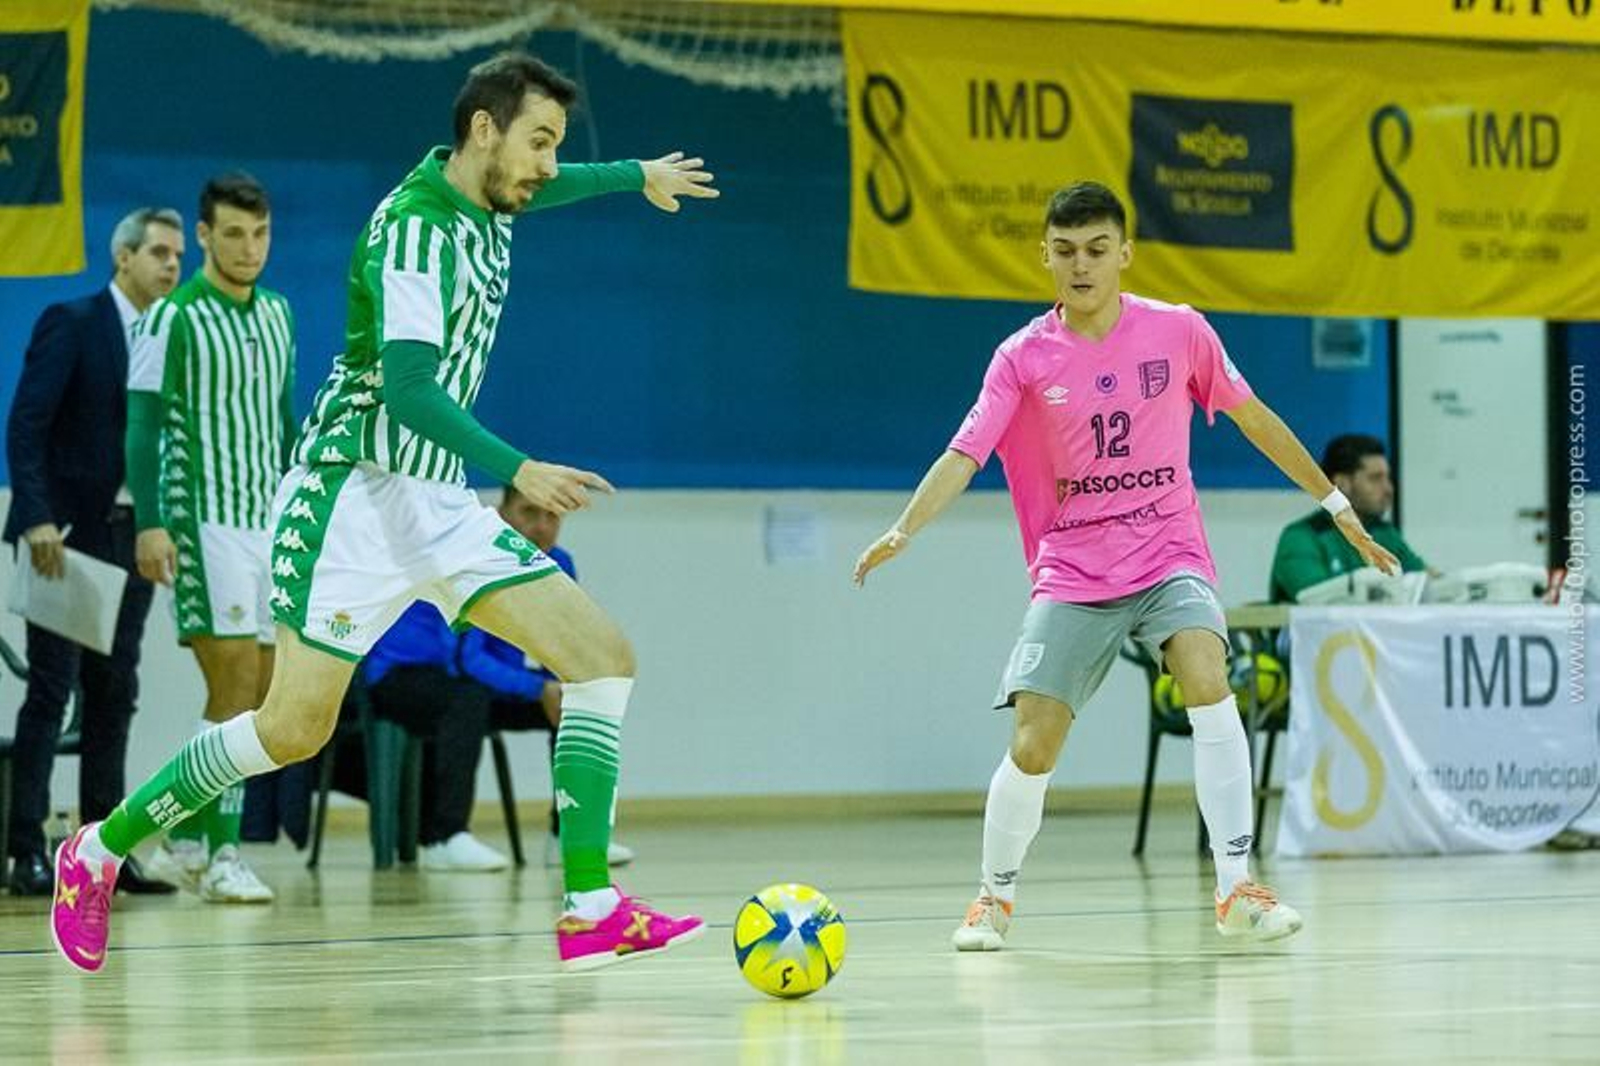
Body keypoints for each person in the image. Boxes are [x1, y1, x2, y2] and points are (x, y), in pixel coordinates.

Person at [51, 51, 716, 974]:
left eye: (556, 146)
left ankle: (591, 904)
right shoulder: (413, 230)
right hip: (350, 501)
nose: (548, 164)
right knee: (291, 730)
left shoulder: (493, 198)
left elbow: (550, 191)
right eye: (539, 142)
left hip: (438, 501)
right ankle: (97, 850)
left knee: (603, 661)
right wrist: (520, 466)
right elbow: (405, 390)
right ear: (483, 130)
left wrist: (631, 174)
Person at [853, 181, 1399, 950]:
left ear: (1124, 255)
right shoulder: (1022, 357)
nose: (1082, 266)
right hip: (1075, 568)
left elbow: (1255, 419)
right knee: (1034, 741)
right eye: (1067, 252)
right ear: (1045, 256)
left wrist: (1338, 508)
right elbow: (965, 451)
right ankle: (993, 898)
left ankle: (1237, 884)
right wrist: (904, 529)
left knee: (1211, 680)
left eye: (1097, 251)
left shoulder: (1179, 333)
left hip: (1170, 553)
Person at [3, 209, 186, 898]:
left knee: (117, 694)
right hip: (68, 540)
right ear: (123, 257)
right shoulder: (74, 322)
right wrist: (36, 517)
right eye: (160, 253)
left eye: (177, 255)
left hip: (131, 535)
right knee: (53, 692)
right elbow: (26, 425)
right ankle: (25, 848)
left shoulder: (171, 334)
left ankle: (104, 851)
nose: (172, 265)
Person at [125, 173, 297, 904]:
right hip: (205, 522)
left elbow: (285, 421)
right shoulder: (170, 318)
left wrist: (301, 512)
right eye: (233, 233)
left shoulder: (281, 314)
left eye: (259, 234)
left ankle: (185, 834)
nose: (249, 248)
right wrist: (150, 522)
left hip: (268, 522)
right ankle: (225, 852)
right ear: (202, 236)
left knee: (257, 694)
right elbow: (141, 424)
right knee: (231, 687)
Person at [456, 489, 634, 868]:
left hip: (537, 688)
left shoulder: (561, 563)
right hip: (484, 690)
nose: (541, 526)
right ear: (501, 513)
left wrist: (572, 685)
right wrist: (537, 688)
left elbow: (567, 639)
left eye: (552, 516)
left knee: (587, 706)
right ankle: (451, 834)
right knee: (463, 702)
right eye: (529, 512)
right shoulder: (481, 561)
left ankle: (570, 838)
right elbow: (471, 659)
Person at [1269, 434, 1427, 603]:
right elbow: (1314, 601)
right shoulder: (1301, 537)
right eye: (1375, 478)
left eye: (1388, 478)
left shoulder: (1384, 533)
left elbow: (1424, 582)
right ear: (1342, 484)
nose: (1388, 489)